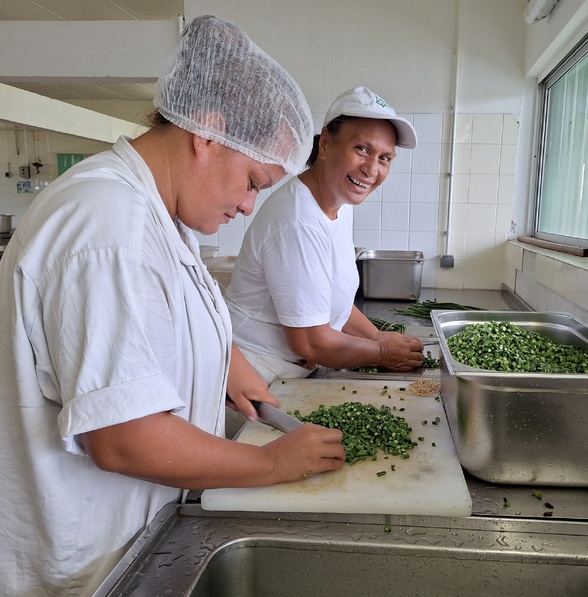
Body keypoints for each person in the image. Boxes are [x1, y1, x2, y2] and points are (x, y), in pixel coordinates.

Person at [0, 15, 345, 596]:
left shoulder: (157, 214)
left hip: (133, 540)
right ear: (207, 134)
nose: (249, 206)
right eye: (254, 181)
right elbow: (124, 437)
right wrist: (274, 464)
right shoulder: (109, 227)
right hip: (86, 564)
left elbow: (162, 320)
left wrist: (225, 362)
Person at [225, 86, 425, 384]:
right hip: (256, 373)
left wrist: (377, 336)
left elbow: (334, 302)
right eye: (362, 149)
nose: (372, 169)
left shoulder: (339, 204)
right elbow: (310, 341)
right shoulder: (297, 221)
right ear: (326, 144)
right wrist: (382, 353)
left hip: (292, 372)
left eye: (385, 158)